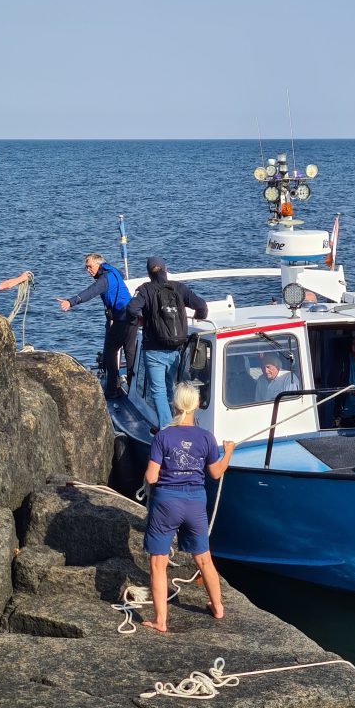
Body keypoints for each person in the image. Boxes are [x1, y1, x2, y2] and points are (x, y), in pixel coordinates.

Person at [142, 382, 235, 633]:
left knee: (158, 563)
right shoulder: (206, 437)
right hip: (195, 502)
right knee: (204, 560)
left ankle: (161, 621)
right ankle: (218, 607)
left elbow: (151, 477)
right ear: (197, 405)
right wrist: (228, 452)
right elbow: (216, 473)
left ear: (175, 405)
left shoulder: (162, 436)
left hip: (166, 503)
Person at [127, 256, 208, 428]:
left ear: (149, 273)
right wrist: (199, 317)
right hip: (176, 348)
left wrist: (142, 319)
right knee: (172, 388)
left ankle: (167, 428)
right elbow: (202, 306)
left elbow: (132, 309)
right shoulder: (179, 287)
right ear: (165, 270)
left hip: (153, 350)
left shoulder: (145, 289)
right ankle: (179, 423)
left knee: (158, 391)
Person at [55, 254, 137, 398]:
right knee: (129, 351)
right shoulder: (113, 270)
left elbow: (90, 292)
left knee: (110, 352)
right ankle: (133, 384)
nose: (88, 270)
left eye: (90, 267)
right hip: (132, 315)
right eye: (86, 267)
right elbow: (122, 274)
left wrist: (70, 302)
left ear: (98, 264)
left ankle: (112, 390)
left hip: (122, 317)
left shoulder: (104, 279)